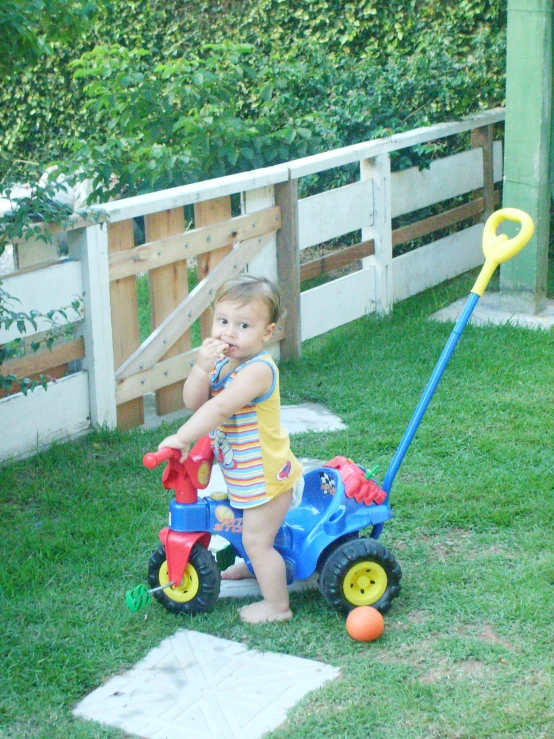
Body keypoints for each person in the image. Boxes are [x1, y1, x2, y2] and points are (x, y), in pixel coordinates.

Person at [158, 274, 303, 624]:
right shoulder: (222, 364)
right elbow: (195, 401)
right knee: (242, 525)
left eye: (243, 325)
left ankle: (277, 607)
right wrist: (201, 367)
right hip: (245, 474)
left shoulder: (259, 370)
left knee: (256, 539)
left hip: (268, 478)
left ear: (266, 334)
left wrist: (182, 437)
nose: (228, 332)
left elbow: (219, 409)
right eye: (222, 321)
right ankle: (253, 568)